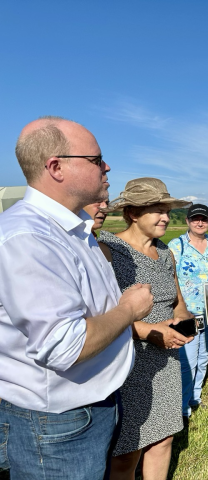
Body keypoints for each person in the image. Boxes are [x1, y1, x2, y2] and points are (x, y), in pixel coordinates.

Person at [0, 116, 153, 479]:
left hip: (86, 408)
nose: (107, 166)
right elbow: (64, 346)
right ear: (56, 167)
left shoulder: (72, 230)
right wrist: (129, 309)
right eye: (97, 159)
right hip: (59, 423)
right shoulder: (29, 238)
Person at [99, 177, 194, 480]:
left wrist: (184, 324)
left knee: (163, 438)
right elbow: (102, 317)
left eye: (167, 210)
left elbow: (178, 304)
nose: (165, 217)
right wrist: (151, 331)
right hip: (128, 362)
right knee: (127, 450)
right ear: (131, 214)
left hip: (165, 360)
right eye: (156, 210)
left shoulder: (166, 253)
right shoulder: (108, 250)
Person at [168, 204, 208, 420]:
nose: (200, 223)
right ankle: (183, 404)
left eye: (204, 219)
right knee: (187, 360)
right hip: (188, 311)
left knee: (204, 356)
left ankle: (196, 396)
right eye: (195, 219)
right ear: (187, 221)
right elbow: (170, 277)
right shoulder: (176, 246)